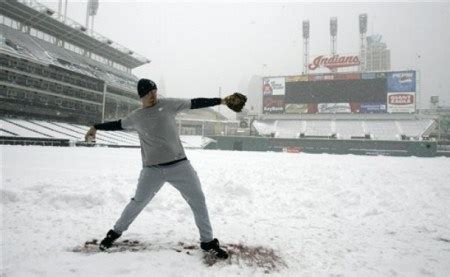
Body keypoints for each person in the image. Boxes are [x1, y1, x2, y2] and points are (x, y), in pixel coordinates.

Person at [85, 79, 240, 259]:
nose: (153, 95)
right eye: (149, 93)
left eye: (155, 91)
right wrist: (96, 127)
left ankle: (207, 242)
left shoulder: (168, 105)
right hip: (152, 170)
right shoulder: (136, 117)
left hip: (180, 165)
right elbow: (117, 124)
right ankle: (114, 233)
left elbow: (195, 102)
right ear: (141, 95)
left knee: (198, 199)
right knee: (138, 202)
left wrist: (221, 101)